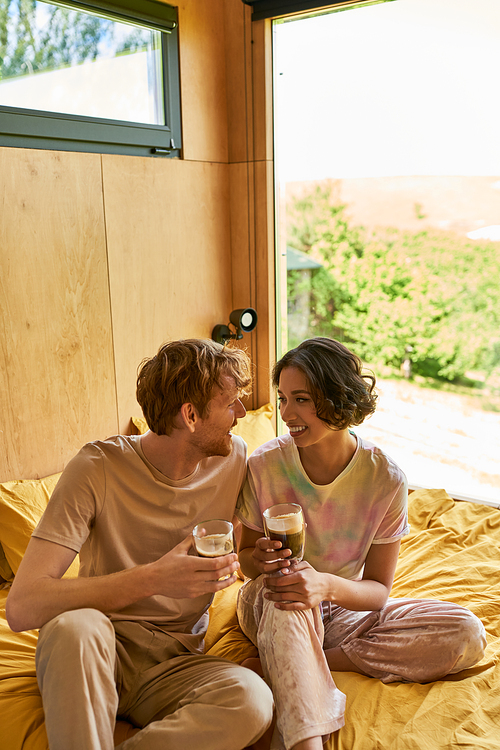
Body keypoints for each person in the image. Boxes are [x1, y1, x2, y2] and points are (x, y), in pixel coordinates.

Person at [6, 338, 274, 750]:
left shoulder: (234, 458)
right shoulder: (97, 468)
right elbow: (23, 605)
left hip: (177, 661)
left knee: (252, 699)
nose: (240, 413)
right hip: (97, 644)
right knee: (74, 628)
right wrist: (154, 579)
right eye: (230, 403)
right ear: (190, 415)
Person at [235, 337, 486, 750]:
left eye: (302, 399)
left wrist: (326, 586)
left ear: (338, 398)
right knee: (290, 595)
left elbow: (378, 592)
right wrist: (259, 561)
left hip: (342, 610)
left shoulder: (385, 478)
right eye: (282, 399)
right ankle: (306, 743)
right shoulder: (264, 465)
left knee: (464, 633)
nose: (287, 413)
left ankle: (290, 663)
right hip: (272, 600)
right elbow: (244, 560)